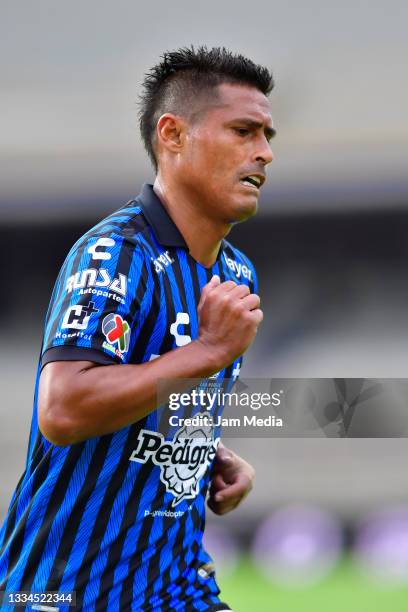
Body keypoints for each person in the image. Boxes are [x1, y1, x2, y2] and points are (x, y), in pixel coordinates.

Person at [0, 46, 275, 611]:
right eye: (244, 131)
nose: (265, 153)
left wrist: (207, 454)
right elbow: (66, 409)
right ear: (172, 134)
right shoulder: (113, 255)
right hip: (69, 591)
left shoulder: (234, 272)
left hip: (176, 586)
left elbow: (161, 398)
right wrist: (210, 350)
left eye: (267, 135)